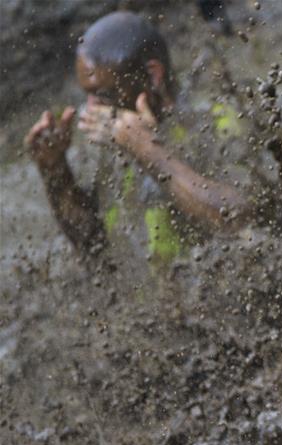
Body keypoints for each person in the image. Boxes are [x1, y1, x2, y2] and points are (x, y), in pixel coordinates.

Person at [24, 11, 252, 264]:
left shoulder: (220, 121)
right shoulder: (118, 138)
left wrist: (146, 149)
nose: (91, 109)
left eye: (104, 93)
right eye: (87, 96)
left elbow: (243, 219)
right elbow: (95, 247)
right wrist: (55, 170)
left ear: (153, 75)